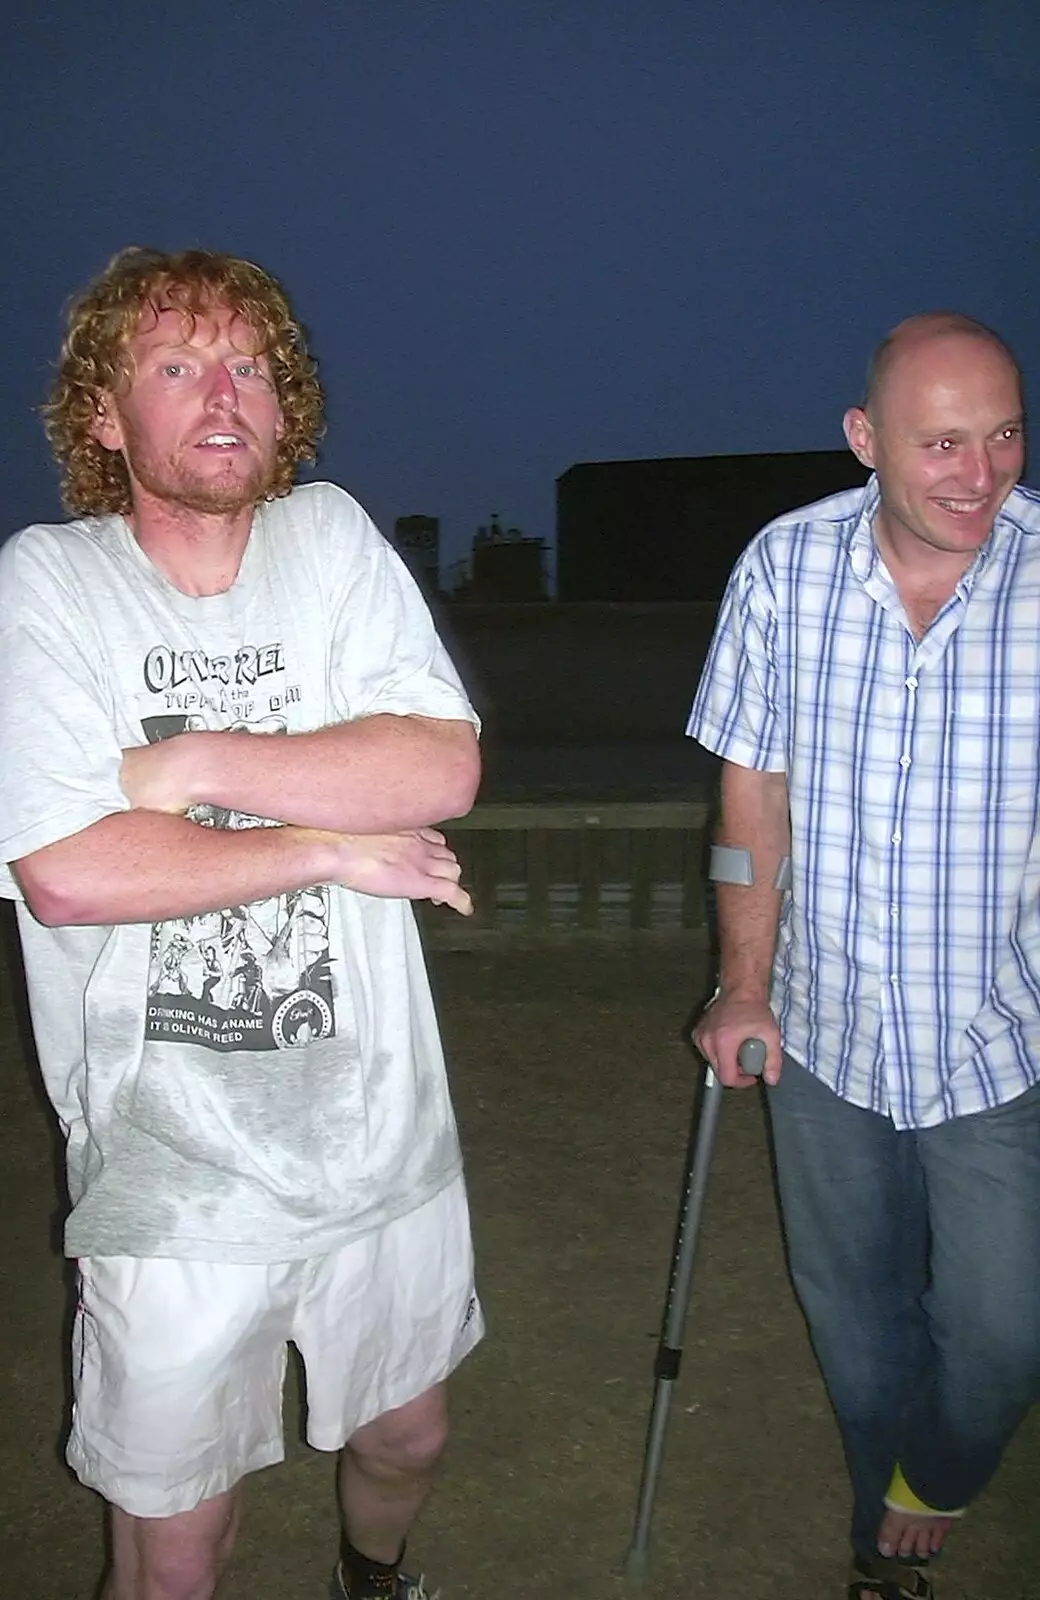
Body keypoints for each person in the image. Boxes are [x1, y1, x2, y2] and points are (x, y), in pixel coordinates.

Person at [0, 247, 486, 1600]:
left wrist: (192, 763)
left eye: (251, 365)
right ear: (104, 415)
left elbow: (439, 767)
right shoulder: (47, 585)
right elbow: (70, 873)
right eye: (174, 365)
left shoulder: (328, 538)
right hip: (170, 1176)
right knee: (175, 1548)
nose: (224, 393)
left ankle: (370, 1582)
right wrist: (329, 840)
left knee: (406, 1434)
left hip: (385, 1137)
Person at [687, 312, 1040, 1600]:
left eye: (1005, 435)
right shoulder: (784, 571)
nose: (980, 474)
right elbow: (750, 804)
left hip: (999, 1039)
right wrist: (741, 983)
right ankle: (875, 1530)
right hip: (824, 1037)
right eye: (942, 442)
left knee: (1003, 1330)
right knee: (856, 1319)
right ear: (865, 442)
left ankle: (932, 1479)